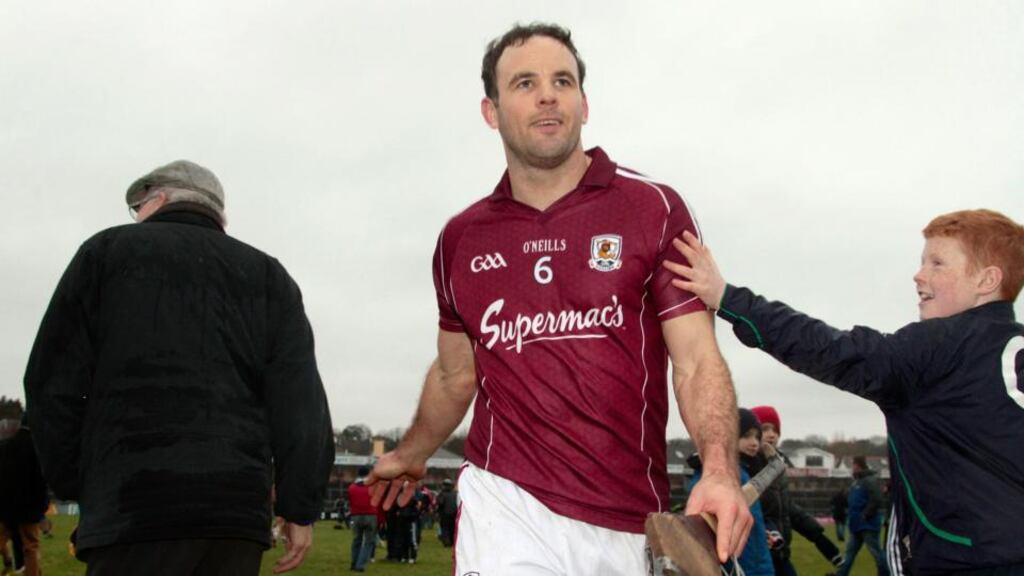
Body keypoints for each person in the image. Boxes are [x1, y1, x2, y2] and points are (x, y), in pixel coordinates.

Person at [368, 22, 751, 575]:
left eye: (562, 81)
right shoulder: (461, 238)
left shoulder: (653, 208)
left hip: (624, 518)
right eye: (524, 83)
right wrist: (410, 454)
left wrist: (718, 469)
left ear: (584, 103)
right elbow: (456, 376)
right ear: (491, 111)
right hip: (505, 504)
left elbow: (695, 361)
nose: (547, 94)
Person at [665, 209, 1024, 575]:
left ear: (987, 279)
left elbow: (832, 350)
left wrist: (729, 298)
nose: (919, 274)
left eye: (937, 263)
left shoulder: (939, 349)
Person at [23, 159, 335, 575]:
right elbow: (301, 403)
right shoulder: (269, 277)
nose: (136, 219)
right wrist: (300, 507)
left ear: (160, 199)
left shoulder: (105, 253)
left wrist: (80, 485)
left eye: (138, 208)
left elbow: (52, 384)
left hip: (132, 505)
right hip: (233, 516)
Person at [750, 405, 843, 575]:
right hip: (758, 556)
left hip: (780, 553)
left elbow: (788, 509)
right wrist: (769, 532)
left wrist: (820, 539)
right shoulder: (747, 467)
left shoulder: (778, 466)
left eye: (775, 430)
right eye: (765, 429)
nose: (772, 434)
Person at [688, 409, 773, 576]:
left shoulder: (745, 473)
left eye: (757, 437)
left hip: (756, 564)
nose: (754, 442)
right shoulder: (725, 477)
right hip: (740, 567)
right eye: (746, 435)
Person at [0, 415, 49, 576]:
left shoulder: (6, 446)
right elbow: (41, 480)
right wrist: (43, 506)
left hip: (6, 506)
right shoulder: (37, 448)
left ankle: (8, 560)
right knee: (31, 546)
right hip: (29, 507)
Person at [836, 457, 888, 576]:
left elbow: (877, 499)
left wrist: (866, 514)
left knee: (876, 552)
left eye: (852, 465)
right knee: (850, 553)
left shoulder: (869, 480)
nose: (851, 468)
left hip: (867, 524)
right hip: (856, 524)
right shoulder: (857, 482)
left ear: (857, 465)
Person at [348, 466, 377, 572]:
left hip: (356, 516)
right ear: (368, 474)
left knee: (357, 540)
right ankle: (360, 565)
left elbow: (351, 502)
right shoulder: (373, 486)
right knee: (369, 542)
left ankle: (354, 562)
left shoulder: (351, 487)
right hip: (370, 515)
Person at [435, 478, 458, 548]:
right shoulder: (454, 494)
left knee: (445, 528)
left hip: (445, 514)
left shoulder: (442, 494)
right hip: (454, 514)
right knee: (452, 528)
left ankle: (447, 541)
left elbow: (440, 503)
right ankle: (451, 541)